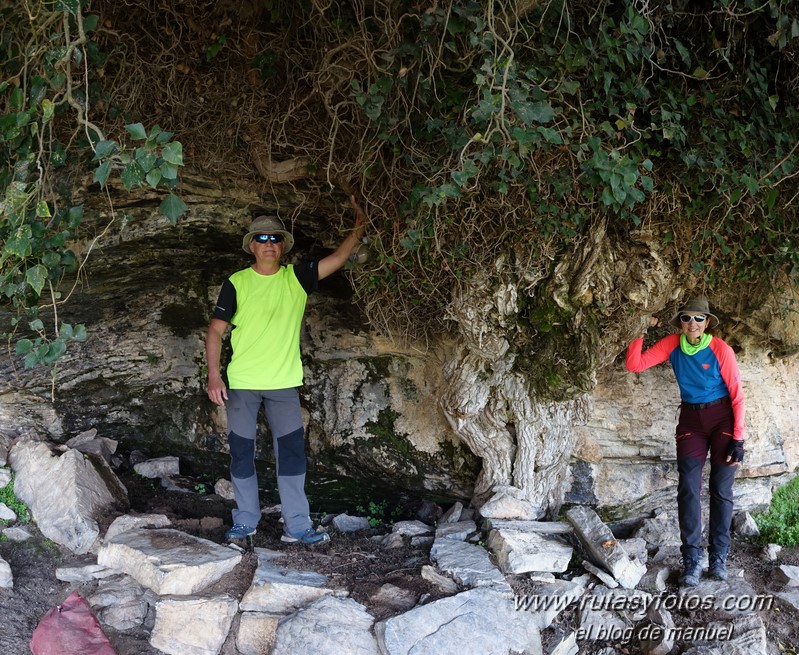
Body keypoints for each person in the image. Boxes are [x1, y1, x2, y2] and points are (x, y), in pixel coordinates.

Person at [206, 196, 366, 545]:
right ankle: (246, 520)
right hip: (243, 384)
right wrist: (215, 376)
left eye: (275, 238)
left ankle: (297, 525)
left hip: (283, 385)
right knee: (242, 452)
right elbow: (216, 329)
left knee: (292, 455)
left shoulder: (297, 277)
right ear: (251, 245)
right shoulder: (237, 282)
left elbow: (337, 260)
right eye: (261, 238)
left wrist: (358, 228)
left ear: (283, 246)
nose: (268, 244)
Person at [625, 296, 745, 586]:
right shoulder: (672, 344)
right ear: (680, 321)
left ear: (707, 322)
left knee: (720, 489)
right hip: (691, 421)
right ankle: (692, 561)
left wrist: (738, 438)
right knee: (688, 489)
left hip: (722, 420)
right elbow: (635, 364)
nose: (692, 323)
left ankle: (718, 559)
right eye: (687, 318)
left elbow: (737, 394)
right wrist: (640, 329)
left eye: (698, 318)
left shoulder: (720, 349)